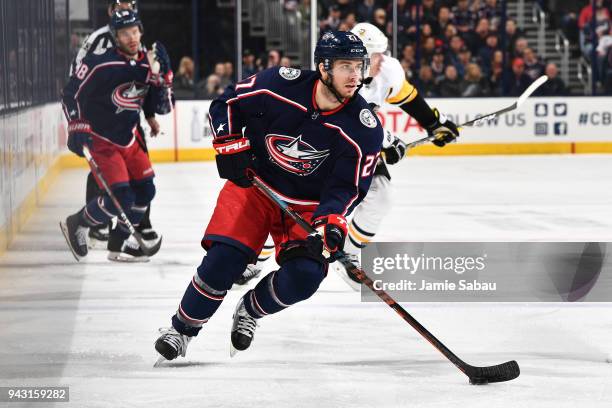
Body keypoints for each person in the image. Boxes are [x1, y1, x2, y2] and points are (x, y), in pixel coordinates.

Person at [154, 31, 384, 362]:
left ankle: (250, 309)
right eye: (345, 66)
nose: (354, 76)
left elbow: (346, 187)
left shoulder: (364, 128)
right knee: (224, 261)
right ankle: (181, 329)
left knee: (305, 276)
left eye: (358, 66)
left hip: (308, 208)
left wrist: (331, 222)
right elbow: (227, 103)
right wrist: (230, 145)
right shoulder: (279, 84)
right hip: (255, 187)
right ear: (323, 67)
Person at [235, 23, 460, 291]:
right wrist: (387, 141)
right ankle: (256, 256)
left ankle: (350, 251)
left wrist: (434, 122)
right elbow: (348, 117)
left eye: (379, 54)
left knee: (383, 195)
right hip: (319, 143)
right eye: (372, 55)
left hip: (353, 149)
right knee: (282, 196)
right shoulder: (339, 77)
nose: (378, 61)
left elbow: (407, 97)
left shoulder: (386, 69)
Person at [60, 10, 172, 262]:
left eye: (134, 31)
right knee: (120, 197)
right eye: (124, 33)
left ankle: (117, 244)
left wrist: (164, 80)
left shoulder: (147, 64)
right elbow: (70, 94)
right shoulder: (100, 64)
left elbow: (161, 105)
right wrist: (75, 123)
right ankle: (78, 222)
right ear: (115, 37)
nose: (131, 37)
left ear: (141, 31)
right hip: (102, 140)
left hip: (130, 137)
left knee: (145, 191)